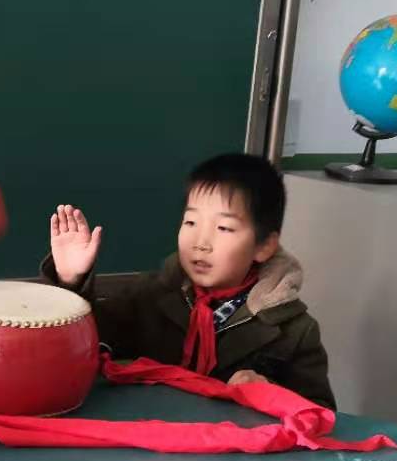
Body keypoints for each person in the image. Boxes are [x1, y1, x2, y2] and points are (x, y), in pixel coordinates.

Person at [43, 152, 335, 407]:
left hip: (235, 452)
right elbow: (85, 341)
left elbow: (322, 414)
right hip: (154, 444)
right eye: (191, 222)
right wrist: (71, 281)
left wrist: (270, 393)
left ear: (264, 246)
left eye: (223, 228)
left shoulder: (294, 331)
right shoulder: (152, 295)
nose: (201, 243)